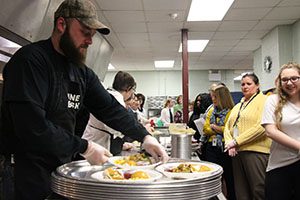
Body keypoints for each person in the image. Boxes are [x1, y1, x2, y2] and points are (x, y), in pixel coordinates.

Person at [0, 0, 168, 199]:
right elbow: (32, 126)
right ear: (62, 25)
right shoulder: (31, 61)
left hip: (60, 169)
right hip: (24, 171)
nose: (90, 41)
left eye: (92, 35)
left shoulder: (80, 72)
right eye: (85, 32)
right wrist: (85, 147)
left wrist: (144, 137)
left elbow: (109, 108)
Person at [224, 73, 271, 200]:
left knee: (258, 189)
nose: (245, 87)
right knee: (241, 191)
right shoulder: (238, 105)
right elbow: (228, 127)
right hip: (237, 152)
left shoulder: (264, 101)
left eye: (249, 84)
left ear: (257, 86)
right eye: (243, 84)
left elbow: (262, 126)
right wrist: (229, 143)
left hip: (256, 152)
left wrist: (236, 141)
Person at [261, 62, 300, 200]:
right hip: (280, 165)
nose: (289, 83)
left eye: (294, 78)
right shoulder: (273, 100)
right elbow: (270, 131)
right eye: (285, 80)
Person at [82, 71, 137, 155]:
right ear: (128, 88)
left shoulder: (109, 94)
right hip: (96, 141)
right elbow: (117, 126)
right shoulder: (118, 98)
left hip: (93, 138)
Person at [202, 85, 236, 200]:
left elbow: (229, 130)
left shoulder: (232, 112)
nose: (213, 99)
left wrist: (215, 127)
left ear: (222, 98)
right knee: (212, 176)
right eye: (213, 96)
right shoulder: (211, 110)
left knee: (228, 177)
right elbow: (205, 129)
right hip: (211, 147)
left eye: (216, 97)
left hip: (225, 147)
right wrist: (219, 128)